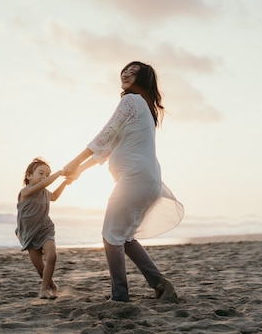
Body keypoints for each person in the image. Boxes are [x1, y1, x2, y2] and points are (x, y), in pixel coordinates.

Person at [63, 61, 184, 302]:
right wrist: (80, 171)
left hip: (135, 179)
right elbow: (108, 146)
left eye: (133, 72)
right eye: (125, 71)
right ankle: (160, 284)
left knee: (111, 235)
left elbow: (105, 133)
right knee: (125, 238)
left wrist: (74, 162)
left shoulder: (131, 101)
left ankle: (119, 296)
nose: (126, 74)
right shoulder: (144, 107)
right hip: (147, 180)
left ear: (143, 79)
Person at [16, 157, 70, 299]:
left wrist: (64, 182)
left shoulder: (45, 193)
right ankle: (53, 286)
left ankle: (44, 290)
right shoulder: (25, 192)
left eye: (47, 175)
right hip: (29, 234)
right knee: (40, 268)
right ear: (29, 176)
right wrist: (58, 173)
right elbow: (42, 185)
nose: (44, 177)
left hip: (45, 230)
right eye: (41, 173)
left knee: (52, 255)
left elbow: (54, 196)